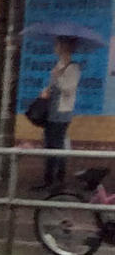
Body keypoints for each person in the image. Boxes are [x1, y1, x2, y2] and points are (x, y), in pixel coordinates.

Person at [39, 35, 82, 187]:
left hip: (62, 112)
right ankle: (49, 179)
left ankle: (57, 179)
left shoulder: (73, 67)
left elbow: (69, 89)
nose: (55, 47)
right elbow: (54, 87)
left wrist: (58, 77)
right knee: (49, 145)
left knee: (57, 145)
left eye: (57, 44)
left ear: (64, 47)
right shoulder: (59, 64)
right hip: (51, 110)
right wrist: (47, 90)